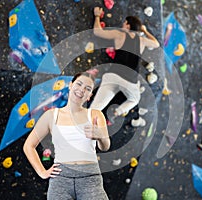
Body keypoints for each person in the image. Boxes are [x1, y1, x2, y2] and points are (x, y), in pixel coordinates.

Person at [23, 72, 110, 200]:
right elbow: (28, 146)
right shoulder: (51, 115)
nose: (82, 90)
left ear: (89, 96)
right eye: (79, 84)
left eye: (88, 88)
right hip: (61, 179)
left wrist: (101, 136)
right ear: (70, 85)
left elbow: (105, 146)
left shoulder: (95, 115)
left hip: (90, 178)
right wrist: (42, 172)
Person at [90, 7, 160, 126]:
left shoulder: (119, 34)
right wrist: (145, 31)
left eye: (124, 23)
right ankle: (117, 111)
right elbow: (156, 44)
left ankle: (79, 126)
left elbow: (98, 32)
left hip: (112, 76)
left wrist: (97, 16)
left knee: (95, 108)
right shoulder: (141, 40)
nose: (122, 25)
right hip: (129, 81)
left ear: (128, 25)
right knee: (134, 99)